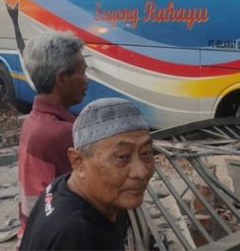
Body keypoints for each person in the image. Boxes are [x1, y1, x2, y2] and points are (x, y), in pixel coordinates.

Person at [20, 98, 154, 251]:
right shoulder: (77, 236)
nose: (141, 172)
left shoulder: (61, 186)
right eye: (122, 157)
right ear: (78, 162)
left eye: (146, 153)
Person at [17, 31, 89, 242]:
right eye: (82, 73)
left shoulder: (33, 121)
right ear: (61, 78)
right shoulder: (63, 133)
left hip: (35, 230)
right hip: (57, 238)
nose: (86, 80)